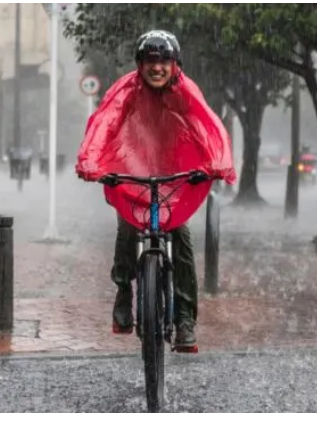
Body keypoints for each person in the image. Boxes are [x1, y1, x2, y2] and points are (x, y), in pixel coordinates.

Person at [75, 30, 236, 351]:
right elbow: (104, 123)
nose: (157, 67)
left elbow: (208, 125)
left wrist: (218, 162)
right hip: (133, 168)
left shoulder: (186, 91)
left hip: (174, 174)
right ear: (139, 64)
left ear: (175, 65)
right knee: (127, 227)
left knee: (182, 241)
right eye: (150, 61)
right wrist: (90, 161)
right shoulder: (126, 90)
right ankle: (124, 291)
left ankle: (185, 320)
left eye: (164, 61)